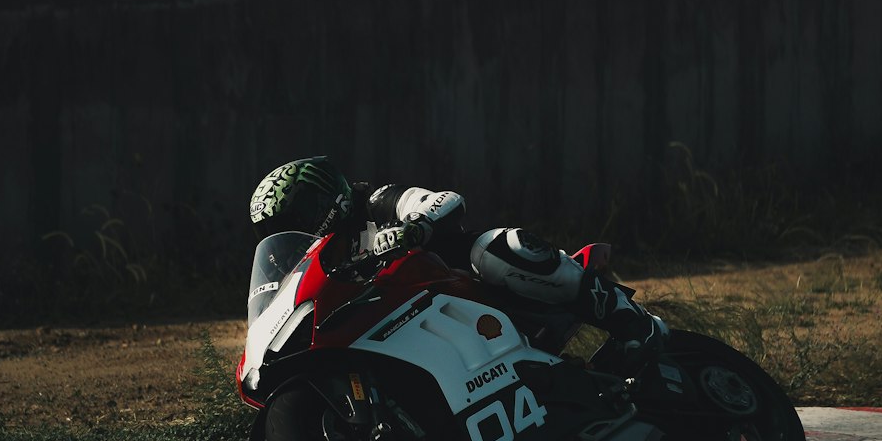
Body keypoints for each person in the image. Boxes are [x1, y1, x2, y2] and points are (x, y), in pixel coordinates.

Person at [249, 156, 667, 363]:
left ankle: (633, 323)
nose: (302, 226)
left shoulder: (375, 202)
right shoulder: (317, 262)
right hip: (400, 329)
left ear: (325, 193)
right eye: (287, 223)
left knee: (500, 248)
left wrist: (413, 229)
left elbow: (446, 201)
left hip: (460, 286)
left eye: (301, 212)